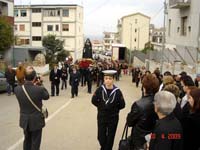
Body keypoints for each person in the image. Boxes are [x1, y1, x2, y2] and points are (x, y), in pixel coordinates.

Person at [14, 66, 49, 150]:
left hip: (24, 120)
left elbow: (25, 87)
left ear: (25, 77)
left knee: (27, 140)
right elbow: (46, 96)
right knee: (35, 142)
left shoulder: (17, 89)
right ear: (34, 78)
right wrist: (40, 83)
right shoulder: (39, 89)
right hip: (36, 120)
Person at [92, 70, 125, 150]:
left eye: (110, 78)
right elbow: (93, 100)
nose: (108, 80)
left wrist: (114, 110)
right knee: (101, 136)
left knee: (110, 137)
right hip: (102, 116)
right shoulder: (100, 90)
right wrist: (101, 107)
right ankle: (104, 147)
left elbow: (122, 105)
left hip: (113, 118)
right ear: (104, 79)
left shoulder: (117, 92)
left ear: (113, 79)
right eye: (106, 78)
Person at [126, 74, 159, 150]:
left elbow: (130, 122)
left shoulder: (138, 104)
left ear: (144, 88)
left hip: (140, 139)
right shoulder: (160, 102)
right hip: (154, 137)